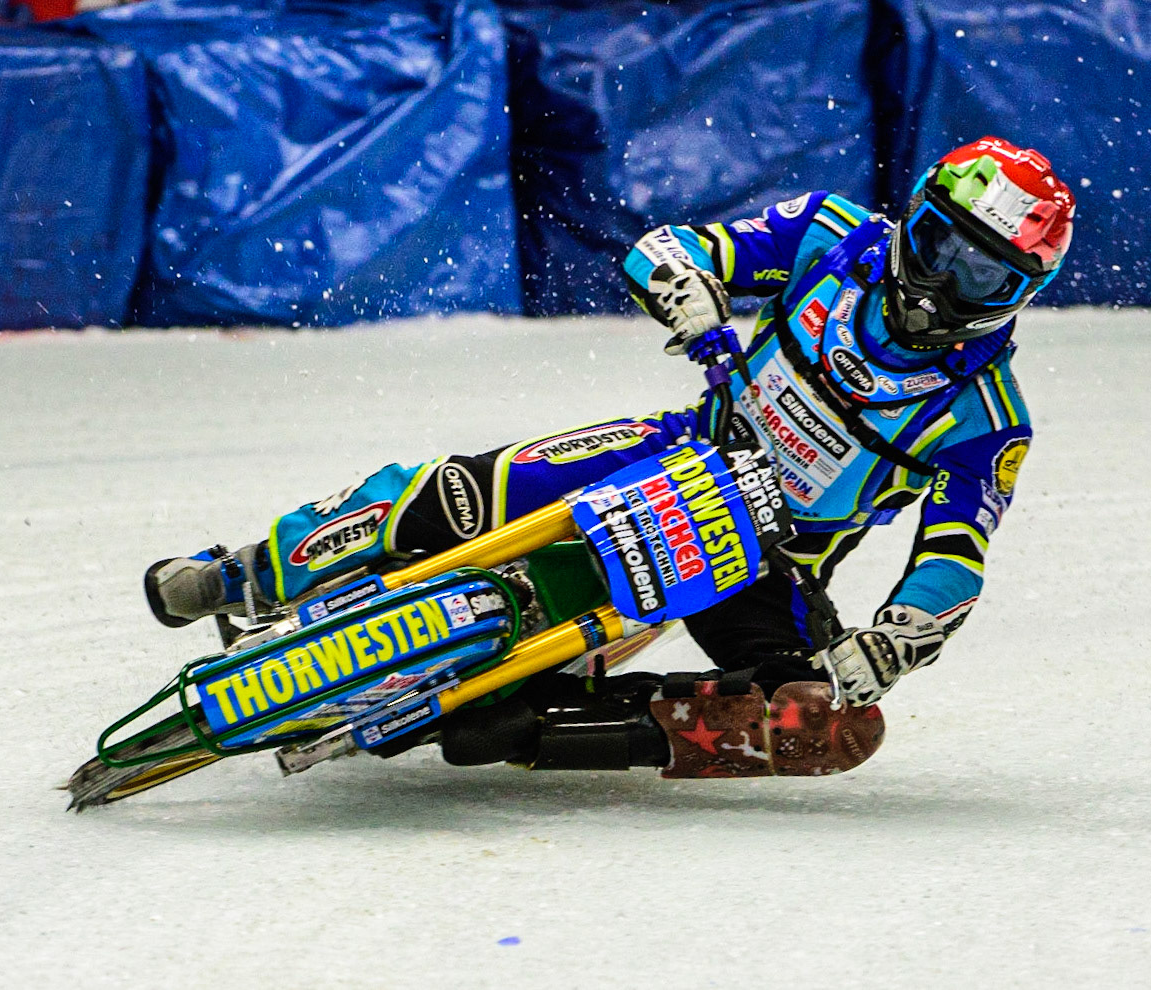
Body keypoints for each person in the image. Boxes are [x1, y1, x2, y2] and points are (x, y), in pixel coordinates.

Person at [145, 136, 1075, 776]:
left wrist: (893, 640)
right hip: (678, 452)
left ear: (1019, 292)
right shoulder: (831, 235)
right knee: (467, 491)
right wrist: (692, 293)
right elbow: (664, 248)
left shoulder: (987, 419)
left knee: (823, 726)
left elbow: (955, 558)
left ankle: (542, 728)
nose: (943, 282)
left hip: (764, 561)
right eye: (939, 245)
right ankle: (247, 571)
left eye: (983, 273)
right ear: (912, 218)